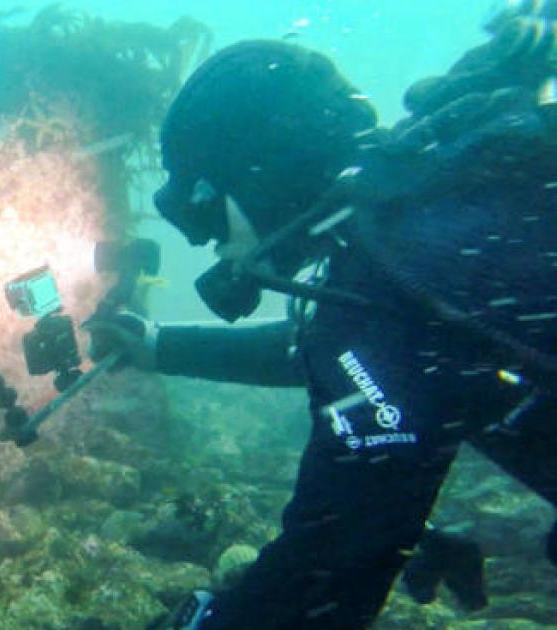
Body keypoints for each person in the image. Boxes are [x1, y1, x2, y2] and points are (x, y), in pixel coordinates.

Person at [86, 5, 557, 629]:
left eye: (206, 207)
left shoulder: (394, 275)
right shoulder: (421, 218)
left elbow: (328, 570)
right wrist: (159, 346)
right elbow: (333, 351)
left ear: (261, 178)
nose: (212, 245)